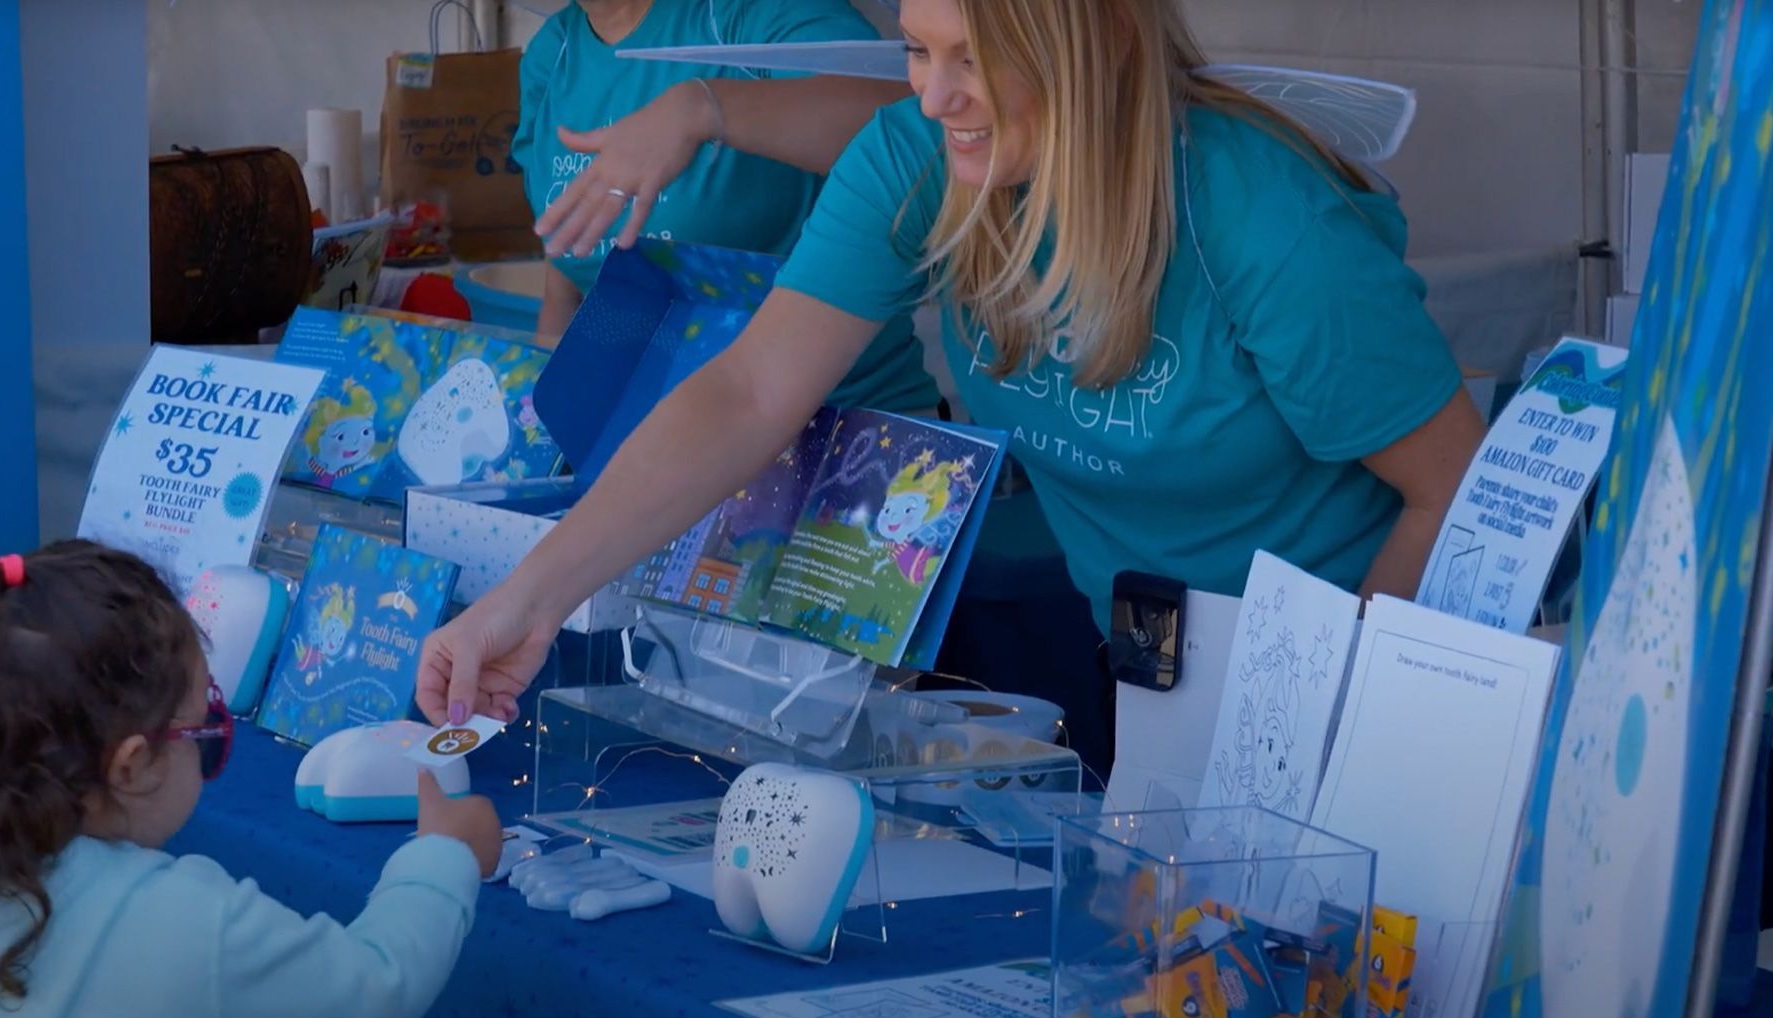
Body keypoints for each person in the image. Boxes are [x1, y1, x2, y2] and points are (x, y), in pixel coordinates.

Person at [418, 0, 1484, 755]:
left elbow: (1452, 491)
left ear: (1099, 37)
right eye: (918, 51)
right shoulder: (921, 162)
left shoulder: (1259, 218)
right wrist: (531, 598)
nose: (932, 97)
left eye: (970, 58)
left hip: (1361, 668)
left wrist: (1310, 720)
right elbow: (748, 395)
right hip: (1155, 662)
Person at [0, 542, 503, 1018]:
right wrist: (445, 857)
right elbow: (377, 985)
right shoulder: (190, 924)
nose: (213, 736)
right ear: (133, 767)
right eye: (205, 730)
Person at [519, 0, 942, 417]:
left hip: (840, 427)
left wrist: (704, 109)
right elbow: (571, 249)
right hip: (643, 428)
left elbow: (912, 127)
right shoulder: (553, 48)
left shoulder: (744, 13)